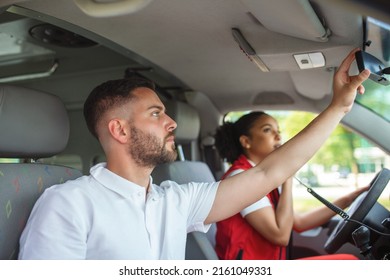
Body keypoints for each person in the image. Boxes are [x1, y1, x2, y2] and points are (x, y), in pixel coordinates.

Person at [18, 48, 369, 259]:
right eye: (156, 114)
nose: (171, 123)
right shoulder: (67, 204)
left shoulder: (176, 200)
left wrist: (338, 107)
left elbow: (267, 175)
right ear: (120, 130)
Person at [214, 111, 369, 260]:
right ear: (246, 141)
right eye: (267, 130)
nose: (278, 136)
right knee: (348, 261)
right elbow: (280, 236)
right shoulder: (242, 178)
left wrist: (348, 199)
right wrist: (287, 175)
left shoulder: (263, 177)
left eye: (278, 130)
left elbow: (299, 223)